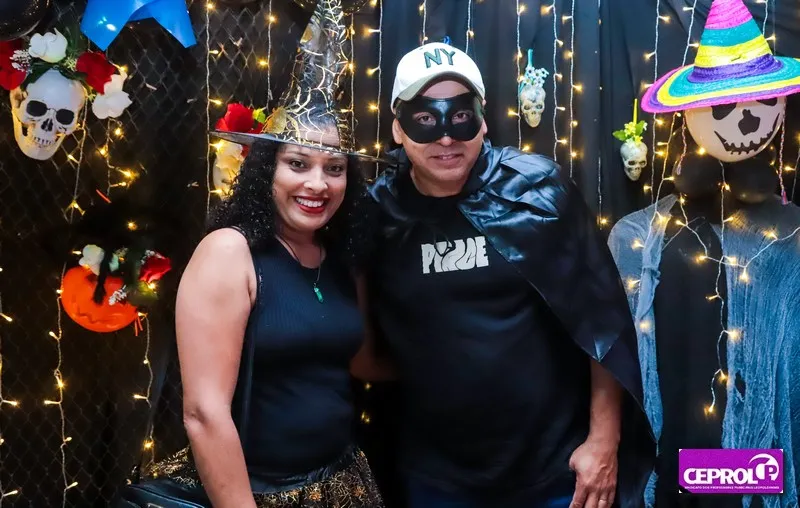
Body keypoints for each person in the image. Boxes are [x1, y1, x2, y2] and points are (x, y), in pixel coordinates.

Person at [359, 42, 656, 508]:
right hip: (436, 478)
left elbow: (603, 323)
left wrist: (603, 444)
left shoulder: (535, 191)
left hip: (552, 472)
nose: (446, 139)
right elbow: (357, 341)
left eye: (461, 116)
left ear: (483, 120)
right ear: (398, 127)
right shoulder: (378, 214)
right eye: (425, 119)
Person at [140, 1, 385, 507]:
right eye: (298, 163)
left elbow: (359, 362)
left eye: (334, 168)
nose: (317, 183)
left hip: (339, 482)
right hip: (256, 492)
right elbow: (204, 413)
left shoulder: (339, 255)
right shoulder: (230, 253)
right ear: (266, 170)